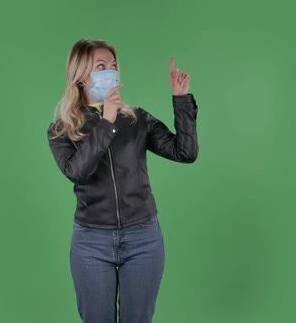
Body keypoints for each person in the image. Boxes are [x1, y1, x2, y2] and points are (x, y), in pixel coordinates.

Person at [46, 38, 199, 323]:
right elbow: (77, 172)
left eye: (113, 65)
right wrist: (106, 122)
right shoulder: (61, 130)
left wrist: (181, 100)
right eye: (101, 66)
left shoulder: (137, 119)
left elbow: (185, 152)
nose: (111, 72)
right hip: (92, 242)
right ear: (80, 75)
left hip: (143, 238)